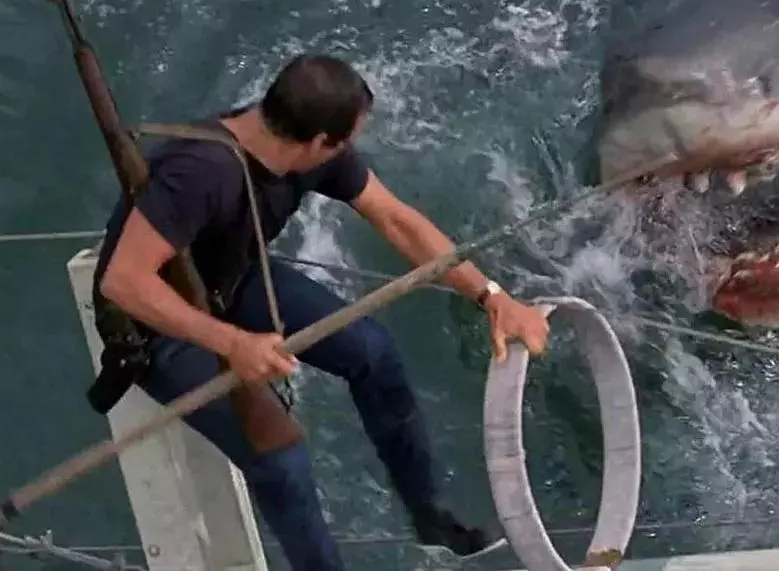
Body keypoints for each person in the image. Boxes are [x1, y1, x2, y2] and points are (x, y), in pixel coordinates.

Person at [90, 53, 551, 570]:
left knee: (373, 353)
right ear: (316, 142)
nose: (351, 151)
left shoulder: (302, 146)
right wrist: (232, 343)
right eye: (347, 140)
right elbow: (123, 282)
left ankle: (430, 517)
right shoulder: (200, 172)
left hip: (230, 279)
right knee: (281, 461)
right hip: (154, 326)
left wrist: (491, 296)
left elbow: (396, 219)